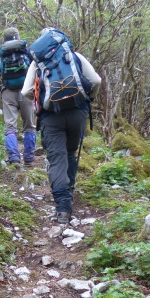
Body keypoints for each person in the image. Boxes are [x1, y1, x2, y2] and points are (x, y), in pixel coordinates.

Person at [21, 28, 102, 224]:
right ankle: (69, 189)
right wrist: (88, 98)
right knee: (70, 153)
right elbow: (96, 80)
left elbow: (25, 92)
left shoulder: (37, 62)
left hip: (51, 116)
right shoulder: (74, 56)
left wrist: (41, 99)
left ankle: (63, 208)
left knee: (56, 157)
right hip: (77, 112)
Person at [0, 27, 36, 166]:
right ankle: (29, 159)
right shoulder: (26, 51)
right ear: (18, 37)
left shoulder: (0, 54)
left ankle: (14, 158)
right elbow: (37, 67)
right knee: (29, 126)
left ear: (5, 39)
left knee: (10, 127)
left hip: (7, 92)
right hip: (27, 92)